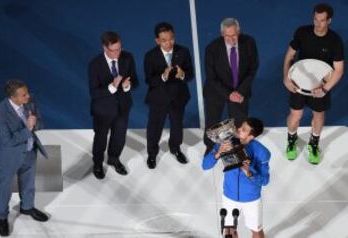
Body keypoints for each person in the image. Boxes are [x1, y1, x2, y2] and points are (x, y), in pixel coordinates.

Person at [283, 3, 344, 164]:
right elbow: (289, 56)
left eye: (322, 20)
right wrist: (286, 78)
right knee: (295, 115)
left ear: (329, 20)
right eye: (315, 19)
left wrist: (325, 88)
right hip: (299, 83)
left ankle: (314, 144)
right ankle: (291, 141)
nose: (318, 24)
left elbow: (338, 70)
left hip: (321, 86)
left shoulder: (335, 41)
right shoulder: (302, 32)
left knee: (319, 115)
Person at [0, 80, 49, 237]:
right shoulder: (0, 113)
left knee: (29, 182)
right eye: (24, 94)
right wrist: (29, 128)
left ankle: (27, 207)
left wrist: (35, 124)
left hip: (30, 151)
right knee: (4, 188)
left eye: (27, 92)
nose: (28, 96)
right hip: (10, 157)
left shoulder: (30, 102)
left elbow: (41, 123)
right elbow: (8, 140)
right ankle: (2, 217)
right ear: (13, 97)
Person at [202, 117, 270, 238]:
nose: (238, 129)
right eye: (240, 126)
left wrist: (249, 173)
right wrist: (217, 154)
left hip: (251, 199)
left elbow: (265, 180)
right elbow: (205, 165)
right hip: (229, 195)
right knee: (228, 231)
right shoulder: (225, 143)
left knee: (256, 231)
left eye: (243, 129)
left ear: (251, 136)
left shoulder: (262, 152)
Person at [203, 18, 259, 155]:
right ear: (222, 33)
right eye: (227, 35)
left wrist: (239, 92)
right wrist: (229, 94)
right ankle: (210, 147)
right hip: (216, 92)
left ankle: (236, 148)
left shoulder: (249, 42)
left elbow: (253, 68)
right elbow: (211, 77)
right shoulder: (212, 49)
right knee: (212, 122)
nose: (231, 39)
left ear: (238, 32)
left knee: (239, 124)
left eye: (234, 35)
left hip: (240, 92)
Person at [88, 31, 138, 179]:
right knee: (101, 139)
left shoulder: (127, 58)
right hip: (102, 110)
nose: (117, 53)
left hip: (123, 107)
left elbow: (135, 80)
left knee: (119, 138)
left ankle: (114, 159)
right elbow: (94, 93)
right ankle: (97, 163)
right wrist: (113, 87)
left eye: (119, 48)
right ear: (105, 48)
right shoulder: (94, 65)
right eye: (113, 50)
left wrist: (128, 85)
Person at [144, 22, 194, 169]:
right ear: (157, 41)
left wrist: (183, 74)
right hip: (158, 99)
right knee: (154, 127)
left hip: (178, 97)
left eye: (171, 38)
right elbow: (149, 80)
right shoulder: (150, 56)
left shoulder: (183, 51)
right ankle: (152, 153)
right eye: (164, 40)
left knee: (177, 125)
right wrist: (163, 76)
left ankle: (176, 149)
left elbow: (190, 75)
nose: (169, 43)